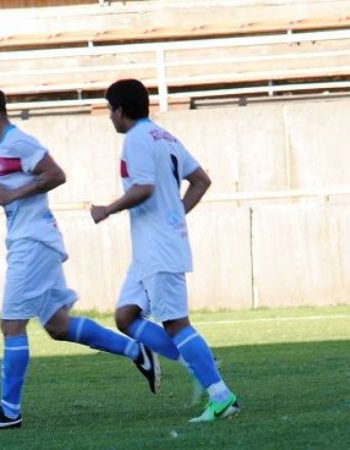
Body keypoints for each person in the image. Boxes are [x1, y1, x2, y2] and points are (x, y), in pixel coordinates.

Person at [0, 82, 159, 430]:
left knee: (11, 324)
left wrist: (13, 195)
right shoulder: (4, 147)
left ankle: (9, 412)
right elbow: (20, 190)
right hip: (33, 240)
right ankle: (137, 351)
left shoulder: (19, 140)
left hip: (33, 243)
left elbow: (56, 175)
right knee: (58, 326)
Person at [90, 78, 240, 423]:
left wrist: (107, 210)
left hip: (158, 248)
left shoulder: (136, 139)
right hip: (150, 248)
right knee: (126, 316)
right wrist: (177, 212)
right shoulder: (165, 136)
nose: (110, 117)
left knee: (175, 323)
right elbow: (200, 179)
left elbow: (144, 188)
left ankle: (221, 396)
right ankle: (197, 358)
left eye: (110, 110)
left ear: (120, 110)